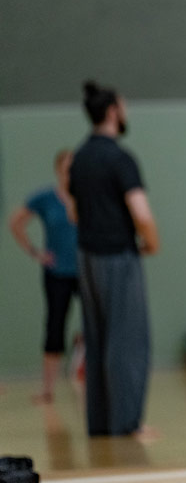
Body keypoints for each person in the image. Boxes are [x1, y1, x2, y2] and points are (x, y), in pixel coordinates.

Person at [69, 81, 159, 438]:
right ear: (112, 112)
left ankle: (101, 423)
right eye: (124, 106)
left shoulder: (79, 158)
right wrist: (151, 243)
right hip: (118, 257)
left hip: (86, 257)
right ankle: (127, 424)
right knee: (128, 341)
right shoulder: (120, 158)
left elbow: (74, 211)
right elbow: (142, 213)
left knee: (98, 339)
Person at [8, 149, 80, 403]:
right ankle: (48, 389)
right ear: (58, 170)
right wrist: (34, 252)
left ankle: (97, 383)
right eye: (66, 169)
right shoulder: (45, 198)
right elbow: (16, 221)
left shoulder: (89, 196)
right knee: (54, 325)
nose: (70, 174)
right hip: (57, 272)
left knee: (97, 325)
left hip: (87, 272)